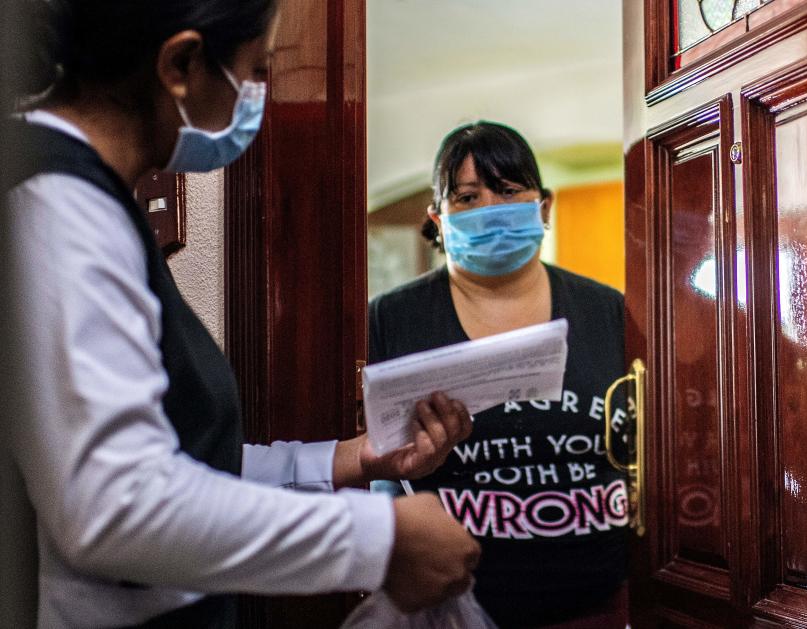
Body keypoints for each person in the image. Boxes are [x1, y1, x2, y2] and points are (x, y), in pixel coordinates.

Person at [3, 1, 480, 627]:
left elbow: (188, 464)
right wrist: (381, 538)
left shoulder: (99, 205)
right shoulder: (58, 207)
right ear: (181, 64)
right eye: (257, 70)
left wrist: (355, 460)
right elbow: (118, 505)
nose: (260, 96)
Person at [369, 121, 630, 628]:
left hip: (601, 602)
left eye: (508, 191)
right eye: (466, 198)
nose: (490, 209)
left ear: (544, 207)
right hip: (453, 605)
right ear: (437, 220)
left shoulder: (608, 311)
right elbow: (378, 461)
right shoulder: (390, 319)